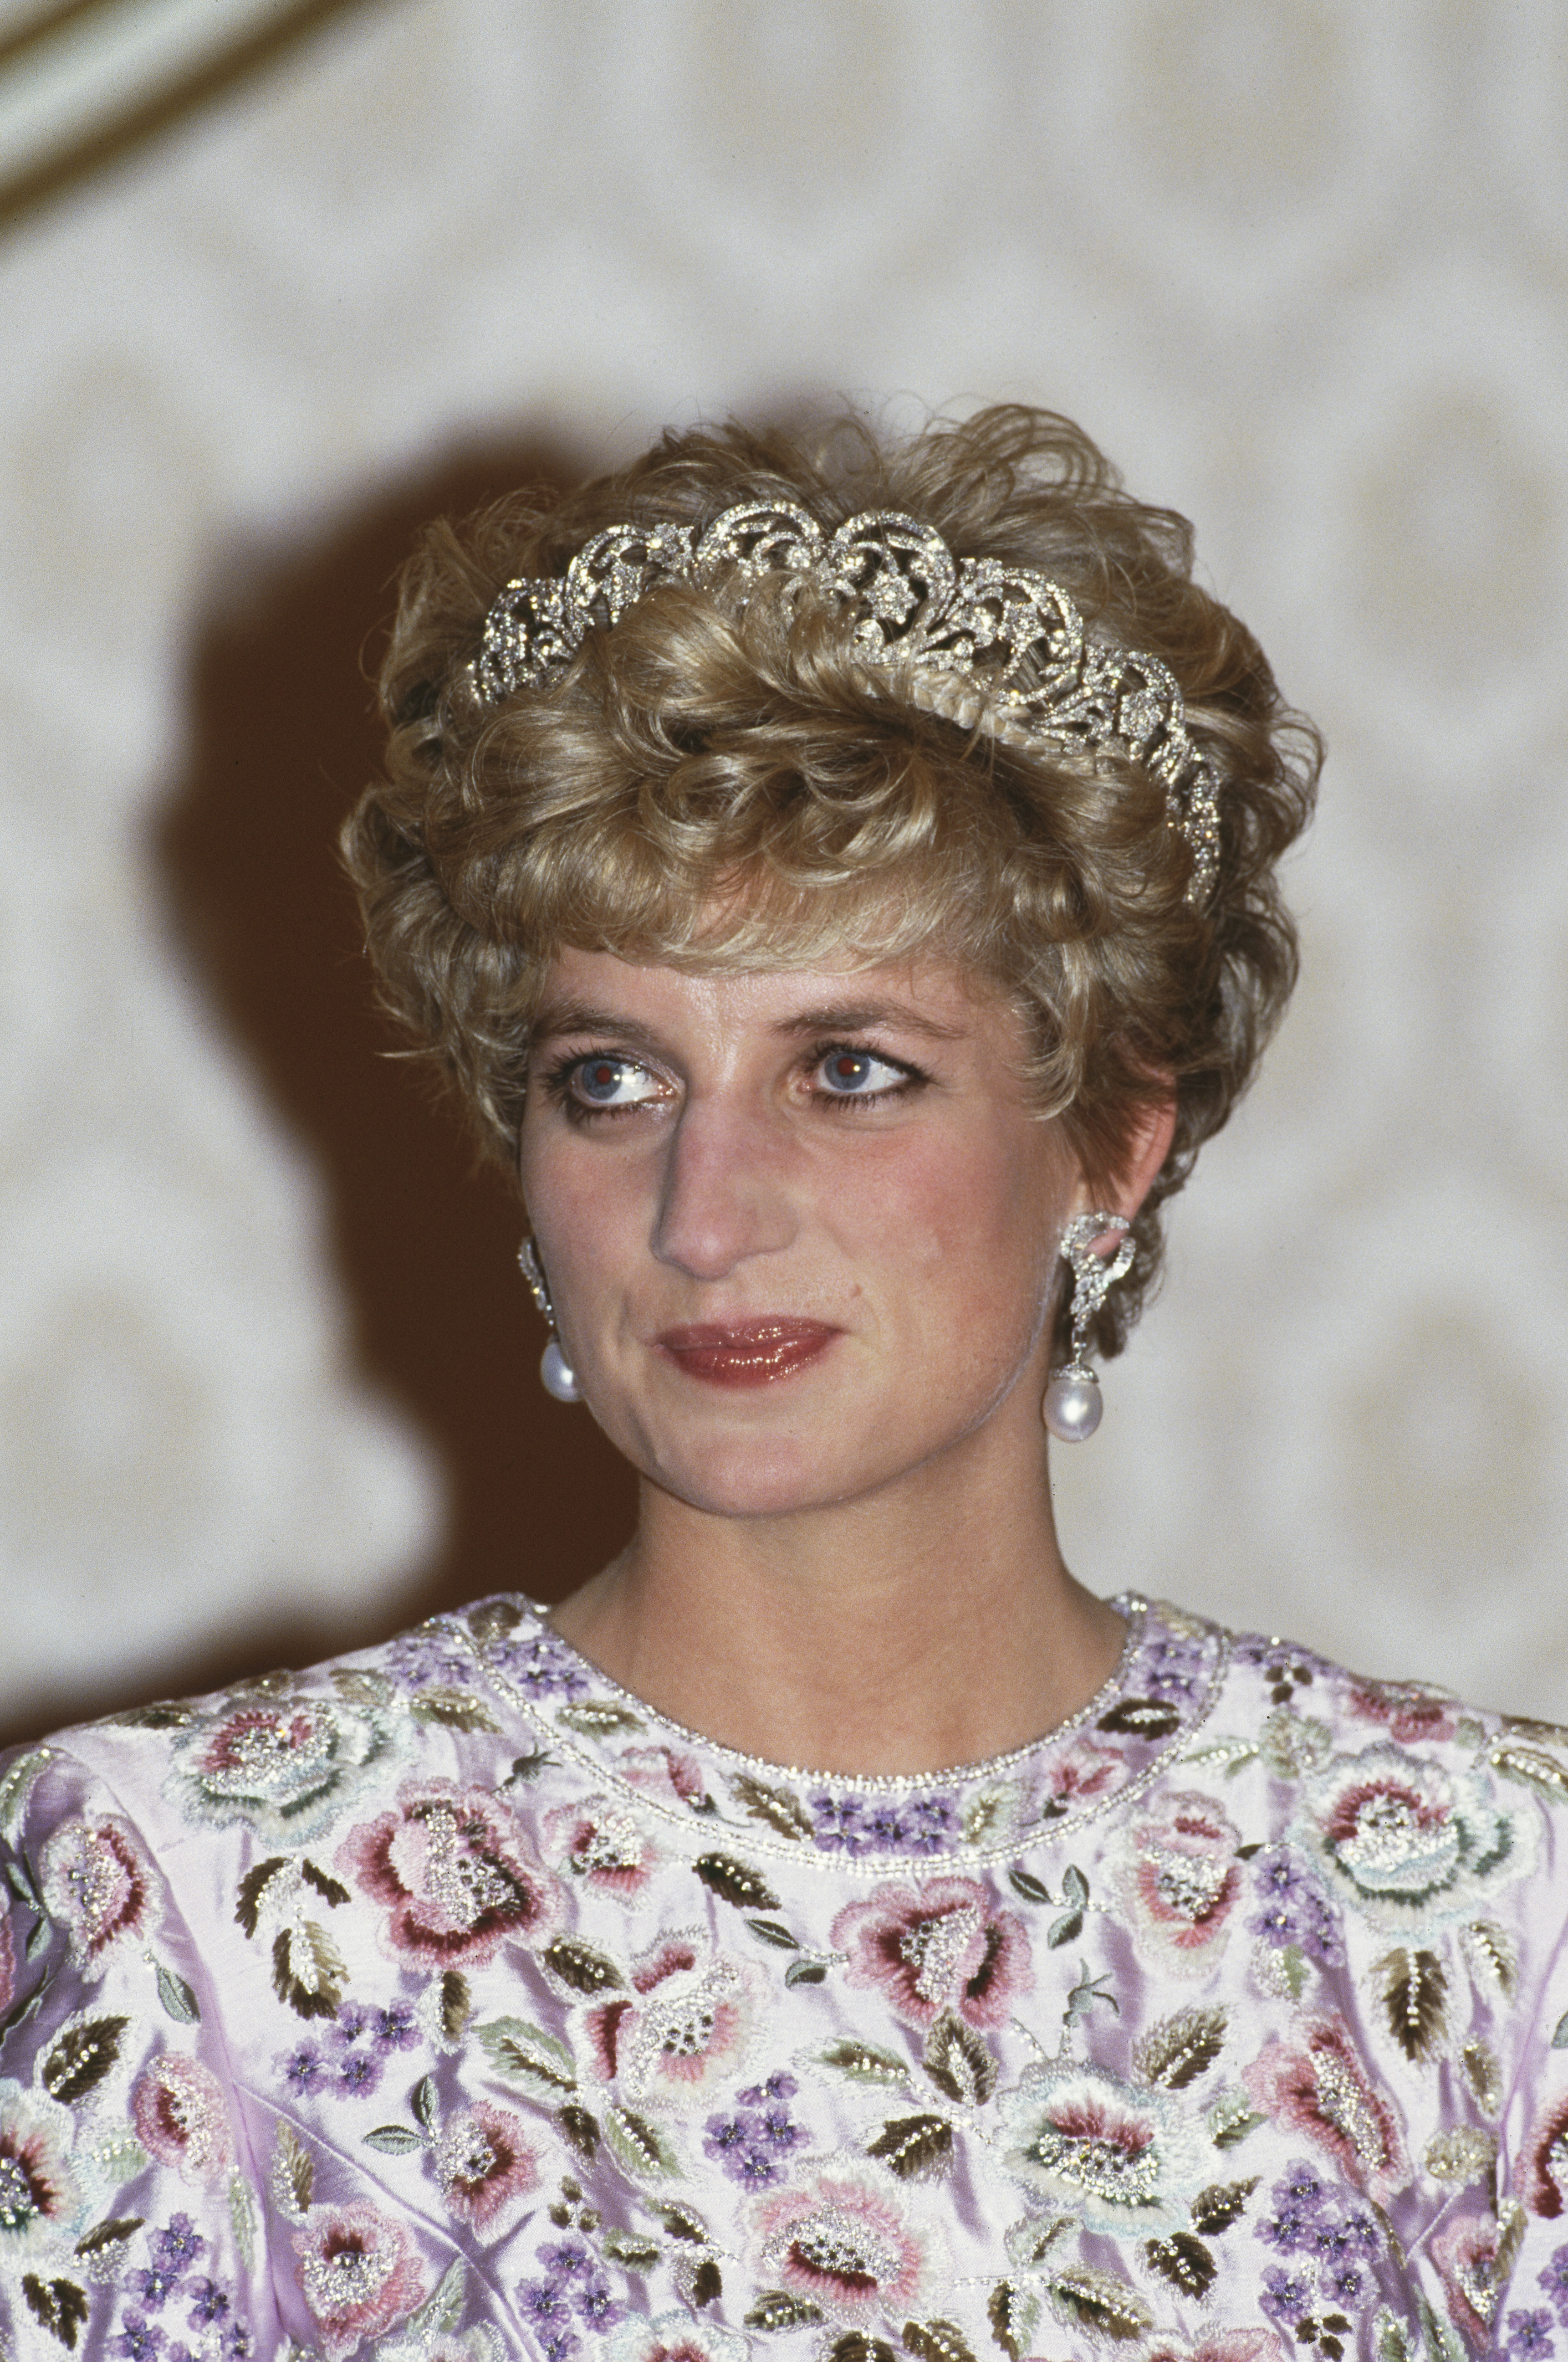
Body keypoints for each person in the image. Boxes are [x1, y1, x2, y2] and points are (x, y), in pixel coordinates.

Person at [3, 405, 1565, 2362]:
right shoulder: (208, 1902)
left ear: (1113, 1145)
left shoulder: (1487, 1906)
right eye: (611, 1079)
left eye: (848, 1070)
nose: (704, 1213)